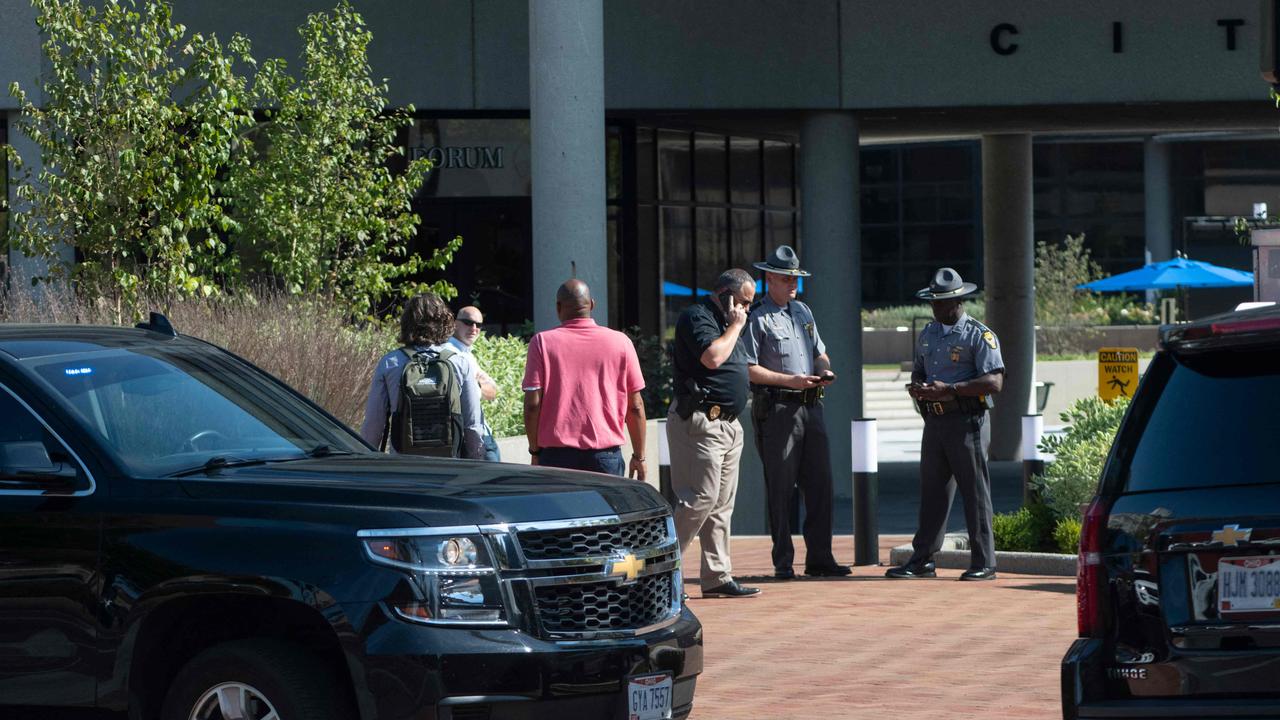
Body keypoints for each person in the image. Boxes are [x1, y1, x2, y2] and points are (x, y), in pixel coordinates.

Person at [886, 267, 1004, 581]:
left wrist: (950, 390)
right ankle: (923, 559)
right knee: (933, 492)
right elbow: (920, 371)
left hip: (968, 420)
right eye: (933, 302)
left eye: (941, 302)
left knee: (975, 492)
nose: (935, 308)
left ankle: (984, 562)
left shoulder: (978, 334)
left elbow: (994, 382)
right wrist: (918, 387)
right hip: (935, 420)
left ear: (958, 301)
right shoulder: (929, 333)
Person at [744, 246, 851, 580]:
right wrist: (789, 380)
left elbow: (821, 354)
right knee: (780, 487)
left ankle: (820, 558)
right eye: (787, 278)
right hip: (777, 409)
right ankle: (783, 562)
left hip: (811, 406)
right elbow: (748, 369)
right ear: (770, 279)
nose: (793, 284)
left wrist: (825, 371)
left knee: (820, 484)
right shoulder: (757, 317)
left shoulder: (803, 312)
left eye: (796, 278)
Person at [668, 268, 761, 599]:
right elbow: (712, 357)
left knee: (721, 505)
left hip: (729, 425)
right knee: (698, 500)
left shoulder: (729, 323)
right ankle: (663, 574)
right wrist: (736, 325)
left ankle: (717, 577)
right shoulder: (697, 317)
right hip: (700, 422)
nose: (747, 310)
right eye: (744, 302)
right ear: (726, 294)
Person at [522, 279, 646, 479]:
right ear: (592, 305)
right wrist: (639, 457)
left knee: (558, 512)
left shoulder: (542, 342)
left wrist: (535, 452)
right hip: (606, 458)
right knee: (606, 511)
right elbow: (636, 406)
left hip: (555, 458)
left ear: (558, 307)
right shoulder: (621, 342)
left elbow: (532, 405)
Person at [360, 293, 485, 459]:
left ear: (407, 322)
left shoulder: (390, 362)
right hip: (449, 466)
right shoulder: (459, 363)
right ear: (444, 322)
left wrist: (366, 460)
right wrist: (477, 461)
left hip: (404, 464)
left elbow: (374, 424)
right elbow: (472, 423)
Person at [448, 305, 502, 461]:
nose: (474, 328)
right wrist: (478, 386)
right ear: (455, 323)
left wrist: (477, 386)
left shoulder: (467, 353)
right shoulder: (452, 354)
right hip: (469, 437)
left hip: (481, 433)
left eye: (478, 325)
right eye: (468, 322)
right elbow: (473, 394)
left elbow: (493, 391)